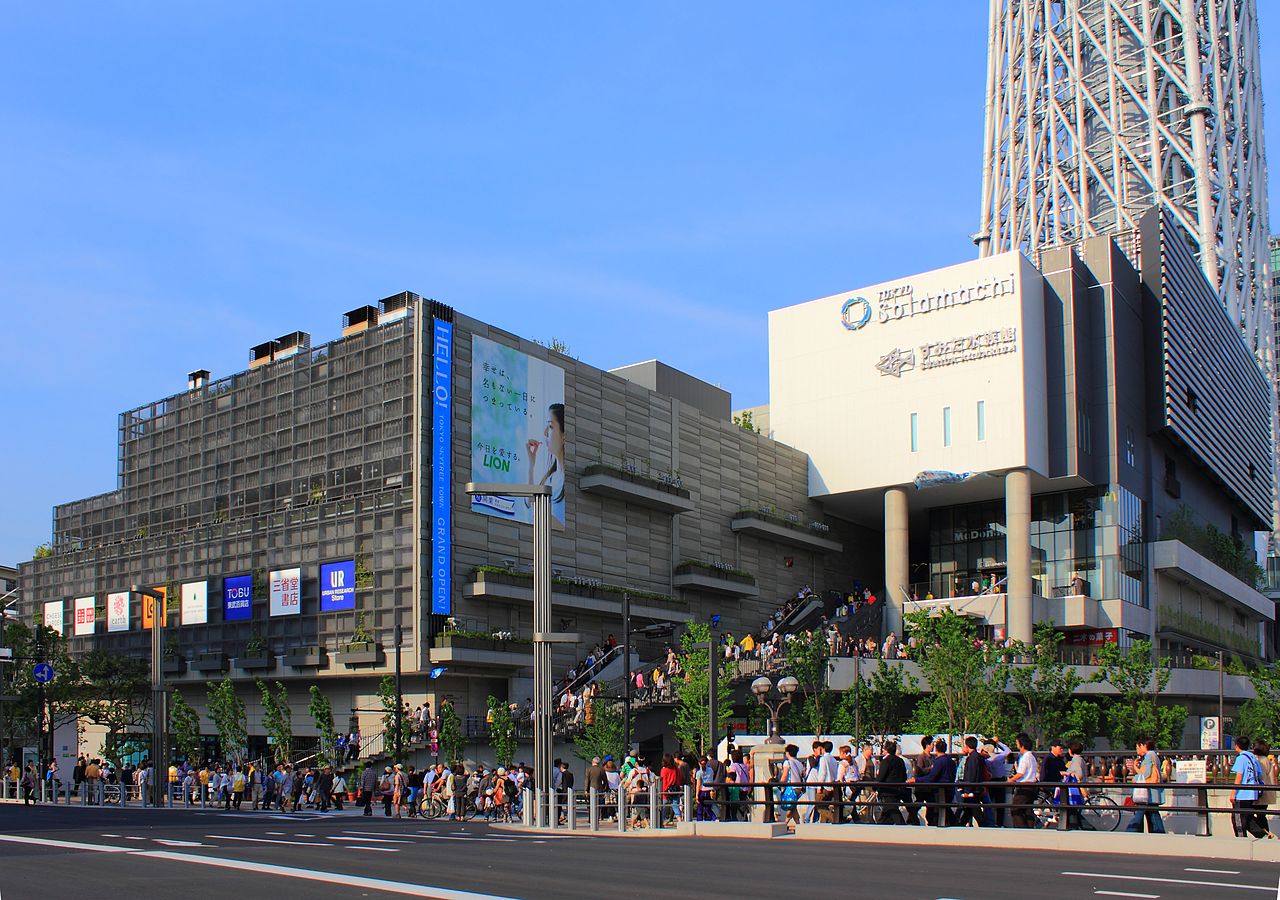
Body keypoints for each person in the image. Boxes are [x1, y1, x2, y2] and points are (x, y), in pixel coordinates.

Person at [1230, 735, 1270, 838]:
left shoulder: (1241, 758)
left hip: (1242, 794)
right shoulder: (1253, 757)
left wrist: (1233, 793)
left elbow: (1239, 776)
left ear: (1237, 746)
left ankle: (1241, 841)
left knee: (1238, 820)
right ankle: (1264, 835)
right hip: (1252, 793)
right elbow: (1259, 774)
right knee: (1247, 818)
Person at [1124, 737, 1166, 834]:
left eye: (1138, 747)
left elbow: (1146, 774)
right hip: (1151, 792)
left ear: (1143, 745)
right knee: (1153, 815)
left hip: (1146, 793)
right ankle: (1159, 835)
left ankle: (1130, 832)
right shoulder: (1153, 755)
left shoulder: (1149, 755)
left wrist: (1135, 769)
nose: (1137, 750)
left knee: (1140, 813)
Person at [1008, 733, 1039, 829]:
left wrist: (1010, 780)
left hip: (1024, 785)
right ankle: (1030, 827)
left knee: (1015, 808)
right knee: (1027, 809)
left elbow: (1021, 773)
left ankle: (1021, 827)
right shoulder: (1032, 756)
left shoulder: (1025, 757)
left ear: (1022, 745)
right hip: (1032, 785)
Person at [956, 737, 986, 827]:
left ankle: (984, 827)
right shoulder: (979, 757)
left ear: (967, 746)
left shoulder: (972, 758)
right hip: (977, 788)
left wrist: (967, 790)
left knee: (974, 810)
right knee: (968, 810)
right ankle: (960, 825)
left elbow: (971, 775)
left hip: (972, 790)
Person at [876, 741, 908, 825]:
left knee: (894, 812)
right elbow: (904, 776)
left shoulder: (886, 761)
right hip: (898, 790)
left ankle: (904, 829)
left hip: (887, 791)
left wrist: (875, 787)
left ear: (886, 750)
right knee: (887, 814)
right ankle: (879, 828)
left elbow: (881, 777)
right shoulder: (900, 760)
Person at [778, 745, 807, 831]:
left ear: (788, 753)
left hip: (791, 787)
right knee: (793, 806)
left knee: (791, 806)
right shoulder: (799, 763)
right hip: (799, 787)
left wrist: (780, 783)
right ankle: (798, 824)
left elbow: (785, 775)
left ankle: (784, 824)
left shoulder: (787, 762)